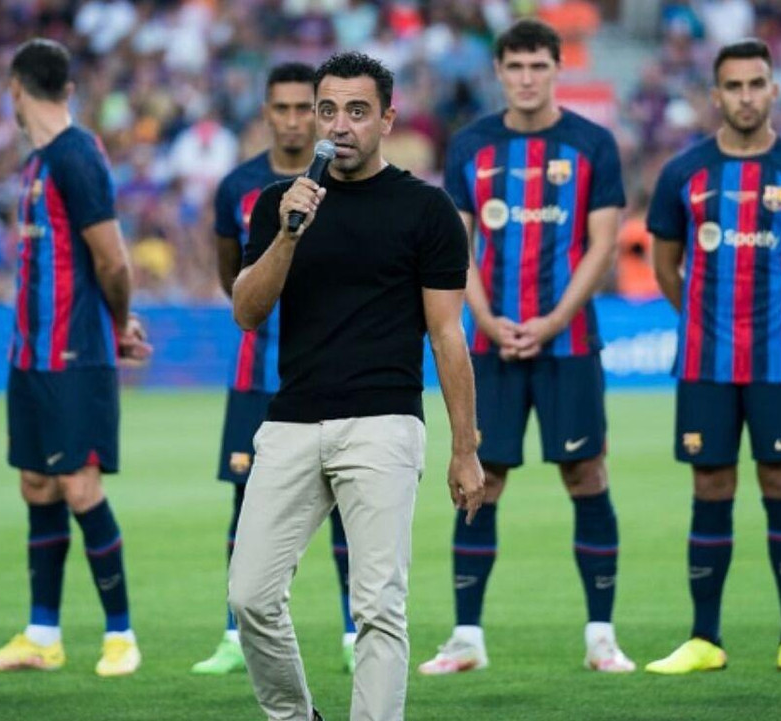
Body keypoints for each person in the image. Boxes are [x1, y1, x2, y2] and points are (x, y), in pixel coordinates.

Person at [228, 51, 485, 721]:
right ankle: (295, 714)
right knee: (250, 595)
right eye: (328, 110)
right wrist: (288, 233)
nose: (340, 125)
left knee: (378, 607)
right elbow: (248, 312)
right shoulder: (277, 205)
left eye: (358, 111)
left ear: (387, 119)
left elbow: (448, 333)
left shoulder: (426, 210)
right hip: (290, 421)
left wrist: (466, 447)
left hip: (384, 422)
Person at [418, 18, 634, 675]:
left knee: (586, 474)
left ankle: (601, 635)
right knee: (482, 480)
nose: (527, 77)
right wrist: (484, 316)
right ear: (499, 72)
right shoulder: (471, 145)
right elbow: (457, 245)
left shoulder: (593, 144)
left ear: (557, 67)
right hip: (490, 345)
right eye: (515, 67)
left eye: (539, 66)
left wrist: (548, 319)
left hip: (568, 342)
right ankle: (467, 637)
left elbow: (603, 246)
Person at [644, 38, 781, 676]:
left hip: (780, 362)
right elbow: (666, 267)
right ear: (716, 94)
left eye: (757, 84)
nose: (747, 96)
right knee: (711, 485)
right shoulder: (683, 173)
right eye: (734, 86)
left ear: (774, 89)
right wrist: (709, 320)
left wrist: (775, 324)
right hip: (705, 361)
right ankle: (704, 639)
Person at [0, 38, 151, 678]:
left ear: (15, 89)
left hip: (75, 351)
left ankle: (121, 635)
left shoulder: (75, 156)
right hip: (31, 354)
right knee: (37, 484)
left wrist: (119, 324)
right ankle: (42, 635)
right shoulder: (38, 162)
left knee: (78, 485)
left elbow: (113, 259)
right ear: (66, 88)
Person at [194, 61, 359, 677]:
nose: (293, 120)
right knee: (244, 504)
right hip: (256, 374)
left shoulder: (346, 180)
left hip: (329, 371)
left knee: (348, 500)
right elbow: (229, 276)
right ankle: (237, 634)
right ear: (266, 112)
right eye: (282, 108)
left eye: (303, 108)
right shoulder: (236, 187)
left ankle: (351, 629)